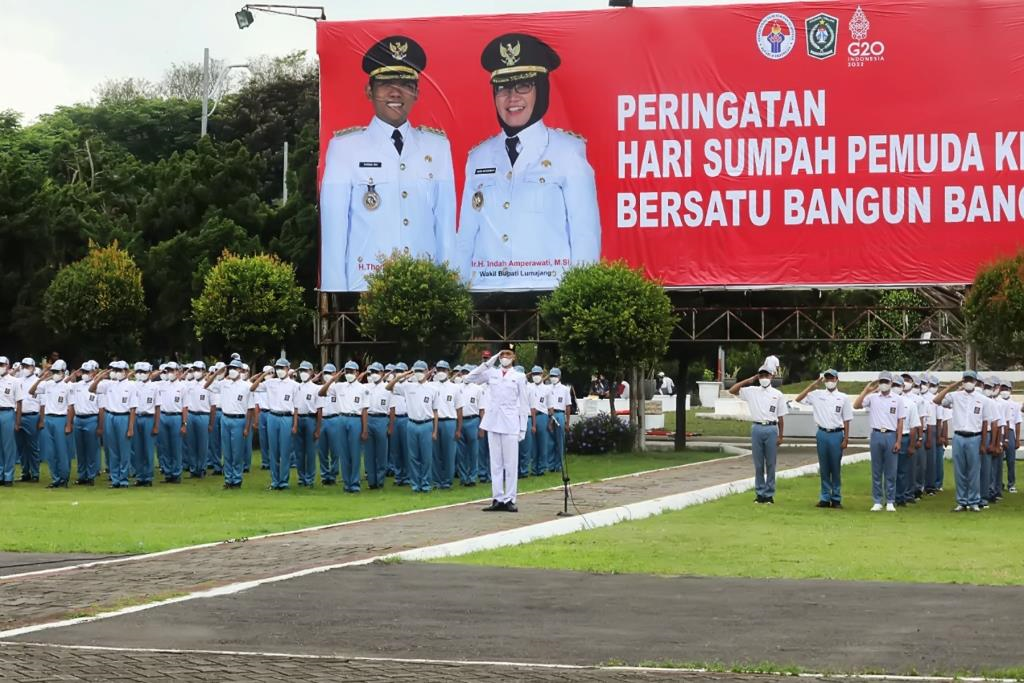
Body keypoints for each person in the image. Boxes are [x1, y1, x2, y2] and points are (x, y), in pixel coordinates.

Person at [455, 32, 600, 291]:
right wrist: (457, 295)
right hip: (488, 295)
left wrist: (579, 297)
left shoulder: (568, 153)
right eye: (503, 87)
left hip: (549, 293)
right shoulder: (478, 157)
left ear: (541, 89)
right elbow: (466, 237)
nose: (512, 97)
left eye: (523, 86)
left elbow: (584, 237)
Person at [320, 35, 455, 292]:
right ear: (369, 91)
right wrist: (336, 298)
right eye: (385, 83)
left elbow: (446, 228)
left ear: (416, 92)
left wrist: (448, 289)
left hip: (425, 287)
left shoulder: (437, 147)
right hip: (366, 288)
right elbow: (334, 232)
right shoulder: (344, 148)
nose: (396, 92)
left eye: (405, 84)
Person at [465, 348, 530, 512]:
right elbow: (470, 377)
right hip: (493, 422)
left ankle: (509, 499)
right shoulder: (491, 373)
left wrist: (523, 428)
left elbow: (523, 403)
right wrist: (492, 359)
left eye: (508, 355)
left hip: (510, 423)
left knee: (510, 463)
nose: (505, 358)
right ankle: (497, 498)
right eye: (502, 355)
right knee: (495, 464)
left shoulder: (519, 376)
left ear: (514, 357)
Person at [934, 370, 999, 512]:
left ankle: (974, 501)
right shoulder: (955, 396)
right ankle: (962, 501)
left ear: (975, 382)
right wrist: (952, 386)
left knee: (974, 471)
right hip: (958, 437)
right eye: (966, 380)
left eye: (971, 380)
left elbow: (984, 422)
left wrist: (983, 443)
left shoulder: (983, 400)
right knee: (960, 471)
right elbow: (937, 401)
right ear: (963, 381)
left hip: (974, 437)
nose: (968, 382)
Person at [729, 365, 787, 504]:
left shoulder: (777, 394)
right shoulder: (752, 391)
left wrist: (781, 436)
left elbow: (780, 417)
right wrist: (748, 380)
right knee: (759, 464)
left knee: (771, 463)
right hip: (757, 427)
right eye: (761, 376)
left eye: (766, 375)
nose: (764, 378)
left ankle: (769, 494)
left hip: (771, 428)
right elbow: (732, 390)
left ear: (772, 376)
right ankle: (760, 493)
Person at [794, 369, 852, 508]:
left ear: (837, 379)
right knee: (824, 467)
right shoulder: (817, 395)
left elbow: (847, 419)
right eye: (827, 379)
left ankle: (836, 498)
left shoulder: (843, 397)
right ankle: (825, 497)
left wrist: (846, 439)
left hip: (837, 433)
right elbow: (798, 399)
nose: (830, 381)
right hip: (822, 433)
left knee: (835, 467)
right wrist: (812, 386)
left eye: (832, 379)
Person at [854, 372, 904, 512]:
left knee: (891, 470)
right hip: (876, 434)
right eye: (881, 381)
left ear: (890, 383)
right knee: (876, 470)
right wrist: (866, 390)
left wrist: (898, 441)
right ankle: (877, 500)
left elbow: (900, 421)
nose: (883, 384)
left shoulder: (897, 399)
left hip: (890, 435)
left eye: (886, 381)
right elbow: (857, 405)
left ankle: (890, 500)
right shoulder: (873, 398)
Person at [387, 361, 437, 493]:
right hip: (412, 424)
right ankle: (415, 484)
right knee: (413, 457)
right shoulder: (408, 387)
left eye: (421, 371)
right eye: (416, 371)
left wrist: (435, 430)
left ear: (427, 372)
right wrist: (401, 376)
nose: (419, 374)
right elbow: (389, 387)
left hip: (426, 424)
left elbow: (435, 411)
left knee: (426, 457)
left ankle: (425, 484)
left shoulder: (432, 389)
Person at [319, 361, 369, 493]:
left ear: (357, 372)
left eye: (351, 371)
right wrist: (332, 381)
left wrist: (364, 429)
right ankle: (347, 484)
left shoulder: (362, 388)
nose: (349, 374)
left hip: (355, 419)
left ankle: (355, 482)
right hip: (342, 418)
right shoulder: (339, 386)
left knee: (355, 453)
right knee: (344, 453)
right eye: (347, 371)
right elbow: (321, 392)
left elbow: (364, 410)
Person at [250, 359, 298, 491]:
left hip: (286, 417)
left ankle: (283, 481)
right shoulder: (270, 382)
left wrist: (295, 424)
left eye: (282, 368)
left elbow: (297, 407)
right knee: (274, 450)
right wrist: (263, 375)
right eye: (278, 368)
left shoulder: (294, 385)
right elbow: (252, 387)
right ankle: (275, 480)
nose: (280, 370)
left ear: (288, 369)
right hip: (272, 416)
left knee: (285, 450)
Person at [206, 360, 254, 489]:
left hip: (239, 419)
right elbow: (207, 385)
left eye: (235, 368)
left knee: (237, 451)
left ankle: (237, 479)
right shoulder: (223, 384)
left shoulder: (246, 385)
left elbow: (250, 409)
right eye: (231, 368)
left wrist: (247, 427)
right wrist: (217, 373)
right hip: (225, 418)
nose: (232, 370)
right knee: (227, 452)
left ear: (240, 370)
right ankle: (228, 479)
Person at [32, 360, 73, 488]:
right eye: (54, 372)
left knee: (62, 451)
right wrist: (41, 379)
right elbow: (31, 391)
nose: (55, 374)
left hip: (61, 419)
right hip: (48, 419)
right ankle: (55, 478)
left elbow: (71, 407)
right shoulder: (47, 384)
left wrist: (68, 424)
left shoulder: (67, 387)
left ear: (63, 372)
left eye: (57, 372)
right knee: (50, 452)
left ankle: (64, 478)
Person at [68, 361, 101, 485]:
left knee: (91, 449)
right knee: (80, 450)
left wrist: (100, 425)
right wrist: (73, 376)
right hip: (78, 418)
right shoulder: (77, 385)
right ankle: (82, 475)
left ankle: (91, 475)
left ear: (93, 372)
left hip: (92, 418)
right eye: (83, 372)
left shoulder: (97, 385)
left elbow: (101, 408)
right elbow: (64, 384)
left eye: (88, 372)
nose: (85, 374)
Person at [127, 362, 158, 488]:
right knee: (137, 449)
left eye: (144, 372)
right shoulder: (133, 385)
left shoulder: (154, 387)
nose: (141, 375)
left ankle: (148, 476)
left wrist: (156, 425)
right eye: (138, 372)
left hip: (148, 417)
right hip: (136, 417)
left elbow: (157, 407)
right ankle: (140, 476)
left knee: (148, 449)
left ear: (150, 373)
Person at [893, 372, 922, 507]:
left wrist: (912, 444)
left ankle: (901, 497)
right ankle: (890, 497)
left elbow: (913, 426)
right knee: (890, 470)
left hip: (904, 438)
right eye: (893, 384)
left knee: (903, 471)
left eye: (898, 385)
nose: (895, 387)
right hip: (889, 436)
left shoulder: (910, 403)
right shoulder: (883, 400)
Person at [430, 360, 459, 489]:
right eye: (439, 370)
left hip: (449, 421)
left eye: (444, 370)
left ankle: (447, 481)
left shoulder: (455, 388)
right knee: (435, 454)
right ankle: (437, 480)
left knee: (449, 453)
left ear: (448, 371)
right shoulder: (431, 386)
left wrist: (458, 428)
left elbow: (459, 409)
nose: (441, 372)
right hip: (434, 422)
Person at [155, 362, 185, 483]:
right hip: (163, 416)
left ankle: (176, 473)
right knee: (165, 447)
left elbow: (185, 407)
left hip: (176, 417)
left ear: (178, 372)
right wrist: (160, 372)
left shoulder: (182, 386)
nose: (170, 373)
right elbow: (148, 380)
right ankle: (168, 473)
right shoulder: (161, 384)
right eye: (168, 371)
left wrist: (184, 423)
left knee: (176, 447)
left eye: (172, 371)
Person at [364, 361, 392, 489]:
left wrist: (390, 426)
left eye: (376, 372)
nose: (374, 375)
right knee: (369, 453)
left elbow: (392, 409)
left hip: (381, 419)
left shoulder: (387, 388)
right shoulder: (366, 387)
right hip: (369, 418)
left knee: (381, 452)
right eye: (372, 372)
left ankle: (380, 480)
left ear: (382, 373)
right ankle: (371, 481)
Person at [454, 365, 483, 486]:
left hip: (473, 420)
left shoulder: (478, 389)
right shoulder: (456, 387)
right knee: (461, 452)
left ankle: (472, 477)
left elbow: (482, 409)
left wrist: (481, 427)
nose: (465, 375)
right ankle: (463, 477)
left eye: (468, 372)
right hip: (460, 421)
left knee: (473, 451)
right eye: (464, 372)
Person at [15, 358, 42, 482]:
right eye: (23, 366)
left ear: (33, 367)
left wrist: (41, 419)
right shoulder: (18, 380)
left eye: (27, 366)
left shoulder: (38, 381)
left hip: (32, 415)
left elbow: (42, 403)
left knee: (32, 446)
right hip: (18, 415)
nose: (25, 368)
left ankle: (35, 473)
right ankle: (25, 472)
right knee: (21, 446)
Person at [994, 379, 1020, 499]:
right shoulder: (996, 402)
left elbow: (1017, 422)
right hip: (999, 430)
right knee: (998, 460)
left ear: (1010, 390)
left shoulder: (1015, 404)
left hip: (1010, 432)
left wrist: (1017, 439)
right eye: (1002, 389)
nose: (1004, 391)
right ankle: (998, 484)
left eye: (1007, 389)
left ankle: (1011, 483)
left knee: (1011, 460)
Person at [388, 362, 411, 486]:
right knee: (395, 450)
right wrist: (396, 378)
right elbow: (388, 387)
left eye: (401, 371)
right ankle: (398, 476)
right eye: (397, 371)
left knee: (406, 449)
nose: (399, 373)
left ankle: (407, 476)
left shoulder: (410, 385)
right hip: (395, 419)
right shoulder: (394, 385)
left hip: (406, 418)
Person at [527, 365, 551, 477]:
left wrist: (550, 420)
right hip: (531, 416)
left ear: (542, 375)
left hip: (542, 416)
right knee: (533, 444)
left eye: (538, 374)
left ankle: (541, 467)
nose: (536, 376)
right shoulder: (528, 387)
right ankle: (534, 468)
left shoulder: (547, 388)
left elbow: (550, 406)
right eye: (534, 374)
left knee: (542, 443)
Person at [547, 367, 571, 473]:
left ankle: (559, 465)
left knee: (560, 441)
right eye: (551, 376)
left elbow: (568, 406)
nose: (553, 378)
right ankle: (551, 464)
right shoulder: (547, 388)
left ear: (559, 377)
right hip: (549, 414)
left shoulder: (565, 389)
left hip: (560, 414)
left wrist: (567, 422)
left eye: (555, 376)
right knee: (550, 441)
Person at [0, 356, 19, 486]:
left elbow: (19, 402)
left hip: (8, 412)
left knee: (8, 447)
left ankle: (8, 476)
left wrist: (17, 422)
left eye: (2, 364)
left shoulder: (14, 381)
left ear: (8, 365)